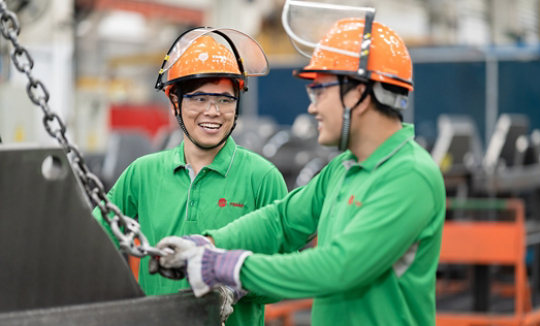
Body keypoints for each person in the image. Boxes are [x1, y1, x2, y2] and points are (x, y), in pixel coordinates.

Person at [150, 9, 446, 326]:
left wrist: (227, 266)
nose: (311, 106)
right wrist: (209, 243)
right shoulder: (345, 168)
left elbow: (338, 267)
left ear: (358, 92)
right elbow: (281, 221)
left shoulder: (409, 176)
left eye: (319, 89)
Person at [93, 28, 287, 326]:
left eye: (225, 100)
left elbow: (284, 272)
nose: (213, 112)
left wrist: (234, 286)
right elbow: (94, 240)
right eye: (199, 99)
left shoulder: (261, 178)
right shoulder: (142, 174)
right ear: (175, 102)